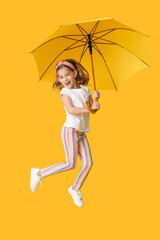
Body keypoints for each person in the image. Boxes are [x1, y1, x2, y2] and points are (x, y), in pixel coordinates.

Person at [30, 59, 100, 207]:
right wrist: (89, 109)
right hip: (70, 130)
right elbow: (71, 110)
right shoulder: (65, 92)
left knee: (88, 163)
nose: (64, 79)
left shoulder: (85, 90)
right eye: (60, 77)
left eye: (67, 75)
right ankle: (39, 173)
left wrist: (96, 100)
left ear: (75, 73)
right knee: (70, 163)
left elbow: (91, 108)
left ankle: (75, 189)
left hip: (81, 132)